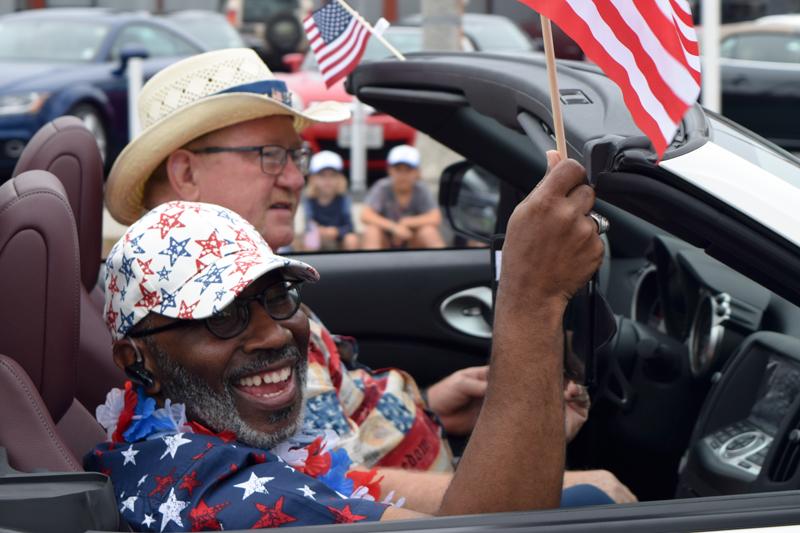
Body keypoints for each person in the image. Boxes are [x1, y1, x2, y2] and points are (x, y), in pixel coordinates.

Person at [103, 48, 634, 503]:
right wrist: (528, 447)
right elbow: (319, 485)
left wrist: (431, 409)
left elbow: (333, 433)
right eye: (269, 156)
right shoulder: (187, 326)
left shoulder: (261, 292)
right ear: (186, 172)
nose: (294, 176)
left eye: (297, 155)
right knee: (603, 496)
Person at [89, 153, 604, 528]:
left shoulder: (217, 438)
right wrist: (533, 295)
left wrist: (446, 411)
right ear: (139, 361)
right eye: (222, 316)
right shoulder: (229, 497)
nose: (273, 333)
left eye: (278, 297)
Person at [360, 145, 446, 250]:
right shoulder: (382, 187)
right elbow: (366, 215)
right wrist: (394, 227)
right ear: (389, 170)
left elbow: (435, 217)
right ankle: (370, 264)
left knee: (429, 232)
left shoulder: (421, 189)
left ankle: (442, 264)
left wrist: (407, 222)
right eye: (398, 169)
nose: (403, 175)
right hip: (386, 240)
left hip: (413, 240)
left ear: (417, 172)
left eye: (408, 170)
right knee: (372, 231)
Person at [302, 151, 359, 251]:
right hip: (318, 236)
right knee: (310, 240)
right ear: (312, 179)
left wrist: (336, 231)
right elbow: (309, 224)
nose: (327, 180)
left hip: (339, 237)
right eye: (322, 175)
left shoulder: (344, 199)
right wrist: (320, 231)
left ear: (340, 178)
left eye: (332, 175)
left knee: (352, 239)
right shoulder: (309, 200)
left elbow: (349, 226)